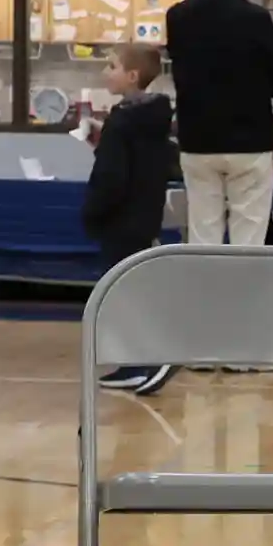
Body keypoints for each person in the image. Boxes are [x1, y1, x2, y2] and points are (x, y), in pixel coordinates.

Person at [169, 0, 273, 247]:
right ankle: (244, 294)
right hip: (249, 142)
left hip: (196, 140)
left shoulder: (177, 16)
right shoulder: (255, 18)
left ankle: (205, 294)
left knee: (203, 232)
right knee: (248, 236)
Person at [82, 40, 179, 395]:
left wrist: (93, 210)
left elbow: (112, 176)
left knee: (123, 293)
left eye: (111, 66)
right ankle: (132, 363)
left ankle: (146, 361)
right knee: (128, 290)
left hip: (121, 219)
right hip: (143, 213)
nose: (105, 72)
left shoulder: (123, 123)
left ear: (132, 76)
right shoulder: (152, 119)